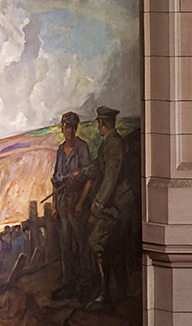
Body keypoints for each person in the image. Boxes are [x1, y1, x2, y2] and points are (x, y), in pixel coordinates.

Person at [80, 106, 136, 306]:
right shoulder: (109, 143)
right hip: (115, 202)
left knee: (97, 242)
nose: (98, 126)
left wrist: (96, 209)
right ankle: (118, 293)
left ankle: (105, 295)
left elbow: (110, 179)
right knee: (113, 247)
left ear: (102, 123)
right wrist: (81, 172)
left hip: (117, 204)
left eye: (98, 123)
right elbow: (98, 165)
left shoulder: (113, 144)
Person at [51, 111, 93, 300]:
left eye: (71, 127)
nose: (68, 130)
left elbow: (89, 179)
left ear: (75, 129)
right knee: (65, 244)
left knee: (81, 243)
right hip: (62, 201)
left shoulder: (82, 148)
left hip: (77, 199)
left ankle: (86, 284)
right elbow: (55, 181)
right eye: (65, 126)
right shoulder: (60, 150)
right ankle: (69, 284)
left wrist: (81, 202)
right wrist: (54, 206)